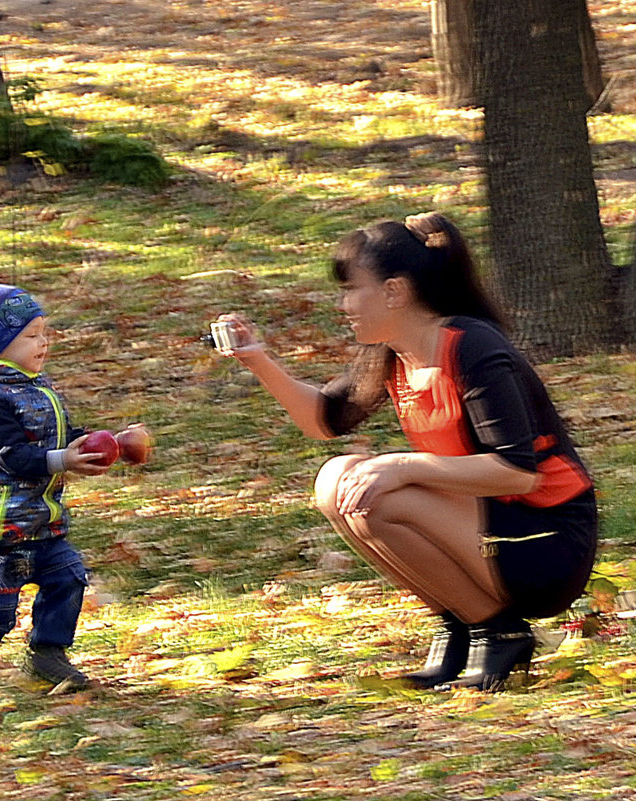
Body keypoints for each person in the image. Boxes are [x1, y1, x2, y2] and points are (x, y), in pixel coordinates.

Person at [214, 213, 598, 691]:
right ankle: (464, 623)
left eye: (353, 288)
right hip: (485, 528)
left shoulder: (471, 346)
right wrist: (257, 358)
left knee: (377, 492)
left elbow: (517, 473)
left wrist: (401, 465)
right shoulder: (393, 351)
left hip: (545, 542)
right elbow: (323, 420)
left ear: (394, 292)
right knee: (336, 480)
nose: (344, 303)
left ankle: (497, 630)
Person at [0, 283, 111, 714]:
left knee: (68, 579)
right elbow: (12, 457)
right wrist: (62, 459)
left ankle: (48, 652)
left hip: (39, 521)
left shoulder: (36, 387)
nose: (43, 342)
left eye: (44, 331)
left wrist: (95, 443)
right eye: (30, 335)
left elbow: (59, 437)